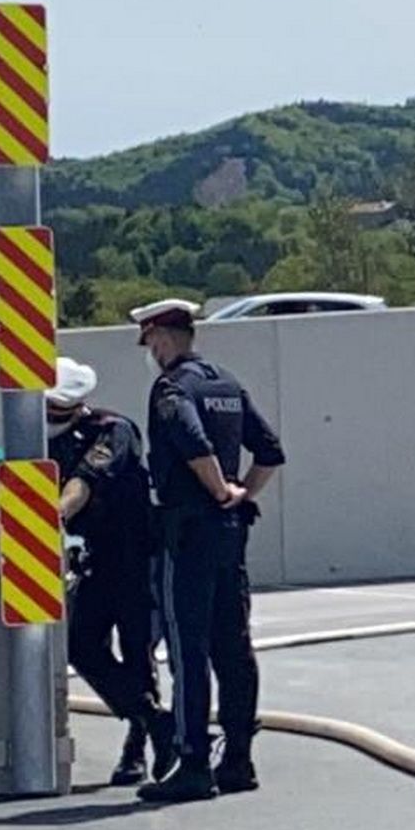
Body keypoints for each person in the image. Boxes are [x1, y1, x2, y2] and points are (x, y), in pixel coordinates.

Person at [129, 299, 285, 803]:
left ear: (162, 337)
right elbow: (271, 450)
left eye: (150, 342)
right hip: (230, 533)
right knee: (233, 647)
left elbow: (192, 443)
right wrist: (241, 493)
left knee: (187, 649)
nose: (151, 351)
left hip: (191, 533)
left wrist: (218, 489)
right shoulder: (226, 383)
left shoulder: (172, 388)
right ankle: (238, 758)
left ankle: (193, 761)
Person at [47, 357, 176, 786]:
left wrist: (51, 516)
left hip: (137, 557)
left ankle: (137, 747)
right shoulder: (40, 441)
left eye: (56, 410)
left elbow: (84, 482)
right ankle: (155, 719)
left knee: (138, 650)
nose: (49, 419)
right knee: (81, 646)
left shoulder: (112, 431)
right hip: (96, 557)